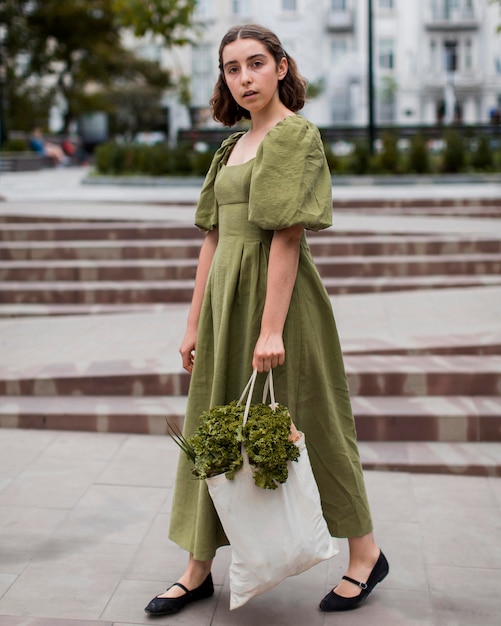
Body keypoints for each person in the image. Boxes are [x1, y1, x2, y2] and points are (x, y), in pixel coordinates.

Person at [145, 23, 389, 617]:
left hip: (281, 303)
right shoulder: (231, 147)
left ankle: (365, 554)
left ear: (282, 67)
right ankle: (198, 567)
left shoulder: (294, 135)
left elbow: (285, 235)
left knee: (315, 424)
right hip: (226, 303)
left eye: (256, 63)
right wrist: (193, 322)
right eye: (232, 68)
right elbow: (211, 240)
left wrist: (271, 327)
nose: (244, 76)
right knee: (210, 424)